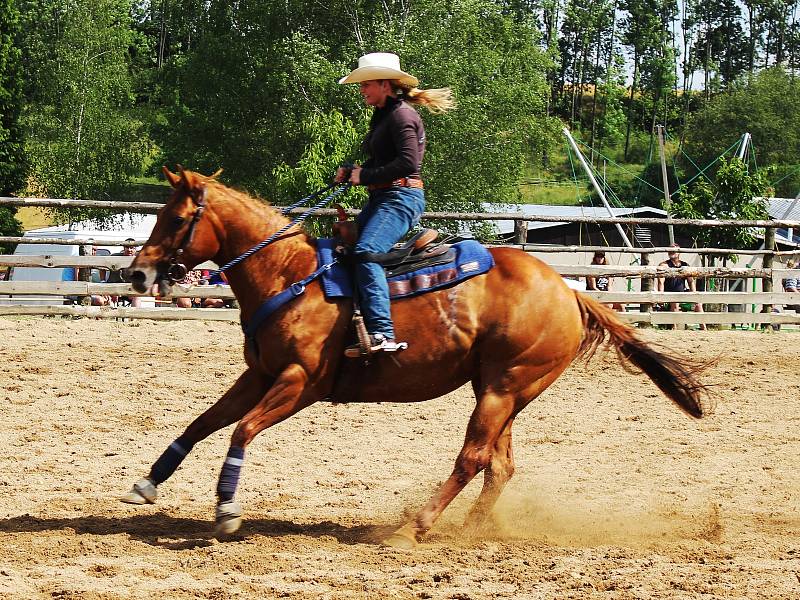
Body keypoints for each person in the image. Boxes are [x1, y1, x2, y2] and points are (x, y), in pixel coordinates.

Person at [335, 52, 454, 356]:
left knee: (366, 252)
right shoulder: (384, 114)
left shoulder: (402, 116)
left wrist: (366, 175)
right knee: (342, 248)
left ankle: (381, 333)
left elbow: (408, 162)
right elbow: (381, 160)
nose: (362, 90)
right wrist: (352, 172)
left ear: (385, 84)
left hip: (401, 198)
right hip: (384, 197)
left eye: (367, 84)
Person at [657, 243, 705, 330]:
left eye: (673, 250)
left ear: (679, 253)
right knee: (675, 302)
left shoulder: (685, 265)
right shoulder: (664, 265)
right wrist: (660, 297)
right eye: (670, 250)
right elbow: (661, 282)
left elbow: (691, 282)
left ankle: (704, 329)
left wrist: (694, 295)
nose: (671, 252)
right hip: (669, 296)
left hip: (683, 294)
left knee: (699, 304)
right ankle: (674, 329)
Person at [107, 238, 141, 307]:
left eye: (132, 248)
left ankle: (134, 316)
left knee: (137, 297)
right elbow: (102, 268)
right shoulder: (114, 257)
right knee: (106, 297)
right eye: (127, 247)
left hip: (129, 288)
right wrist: (103, 280)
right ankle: (108, 315)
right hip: (113, 286)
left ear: (135, 249)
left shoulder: (138, 260)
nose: (129, 250)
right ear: (123, 248)